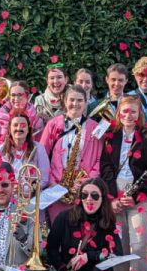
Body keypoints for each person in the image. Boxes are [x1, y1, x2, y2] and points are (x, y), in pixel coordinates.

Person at [98, 94, 147, 271]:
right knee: (119, 246)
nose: (128, 115)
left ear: (139, 113)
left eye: (133, 111)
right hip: (115, 193)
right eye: (125, 111)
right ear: (119, 113)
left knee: (139, 246)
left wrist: (134, 196)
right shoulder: (111, 135)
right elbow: (105, 166)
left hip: (139, 195)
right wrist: (111, 197)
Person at [46, 176, 117, 271]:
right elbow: (51, 248)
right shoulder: (64, 217)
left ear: (103, 199)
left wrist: (89, 256)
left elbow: (116, 253)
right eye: (84, 195)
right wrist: (63, 270)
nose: (89, 199)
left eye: (95, 195)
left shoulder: (107, 221)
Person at [39, 86, 103, 222]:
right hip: (56, 187)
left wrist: (87, 181)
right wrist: (51, 182)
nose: (75, 103)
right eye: (72, 100)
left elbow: (99, 159)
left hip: (83, 189)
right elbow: (42, 156)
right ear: (65, 101)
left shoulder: (94, 127)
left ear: (86, 102)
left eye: (80, 100)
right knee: (58, 228)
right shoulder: (53, 124)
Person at [0, 112, 51, 186]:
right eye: (15, 125)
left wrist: (28, 189)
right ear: (9, 129)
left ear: (28, 129)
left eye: (23, 125)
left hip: (30, 192)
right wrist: (9, 188)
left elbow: (44, 179)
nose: (19, 128)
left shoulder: (39, 148)